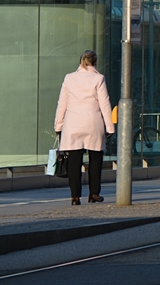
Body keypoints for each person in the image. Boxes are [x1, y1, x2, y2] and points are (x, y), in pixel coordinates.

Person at [54, 50, 114, 205]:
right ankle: (94, 193)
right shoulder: (98, 79)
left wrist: (58, 125)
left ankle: (75, 196)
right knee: (95, 159)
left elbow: (62, 104)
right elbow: (105, 104)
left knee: (74, 161)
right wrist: (110, 127)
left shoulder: (69, 78)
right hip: (93, 123)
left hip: (72, 124)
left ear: (80, 61)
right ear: (95, 62)